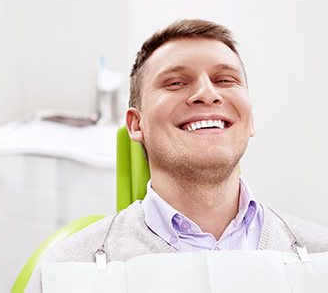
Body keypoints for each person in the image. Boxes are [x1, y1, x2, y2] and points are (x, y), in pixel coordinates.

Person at [26, 19, 328, 292]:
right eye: (175, 82)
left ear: (250, 118)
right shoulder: (67, 273)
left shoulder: (321, 255)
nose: (208, 93)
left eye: (225, 80)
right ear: (136, 124)